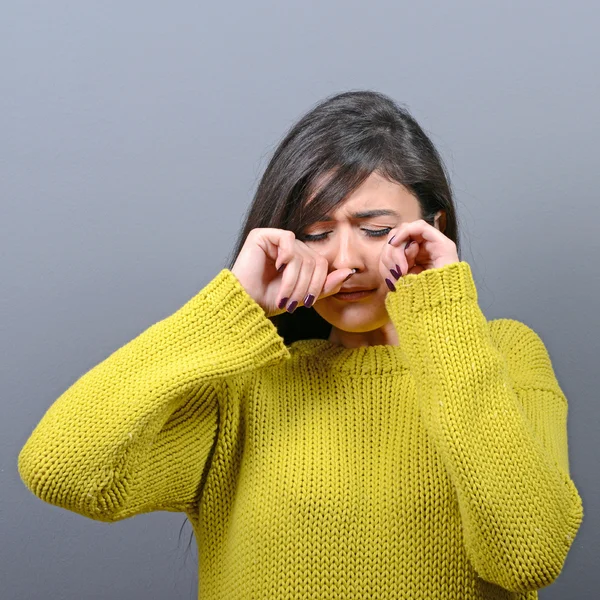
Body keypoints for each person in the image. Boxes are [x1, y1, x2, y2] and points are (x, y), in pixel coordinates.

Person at [18, 90, 583, 599]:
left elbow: (526, 556)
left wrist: (441, 313)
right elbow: (61, 468)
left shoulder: (504, 353)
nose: (344, 258)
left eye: (376, 228)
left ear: (434, 225)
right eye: (316, 232)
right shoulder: (248, 383)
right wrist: (231, 307)